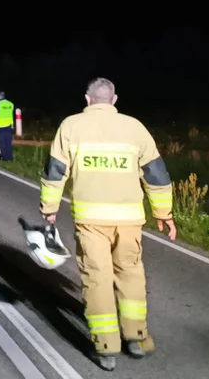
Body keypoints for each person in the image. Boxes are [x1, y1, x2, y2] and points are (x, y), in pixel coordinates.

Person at [40, 78, 175, 372]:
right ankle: (137, 339)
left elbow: (55, 171)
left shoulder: (71, 126)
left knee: (97, 280)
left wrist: (49, 208)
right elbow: (156, 174)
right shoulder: (135, 128)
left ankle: (106, 348)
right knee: (131, 276)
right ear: (114, 100)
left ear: (87, 100)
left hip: (90, 221)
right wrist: (164, 213)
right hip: (128, 220)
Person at [0, 91, 14, 161]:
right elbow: (11, 115)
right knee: (8, 142)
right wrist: (12, 125)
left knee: (1, 142)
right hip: (8, 125)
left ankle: (3, 157)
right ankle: (10, 157)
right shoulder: (11, 104)